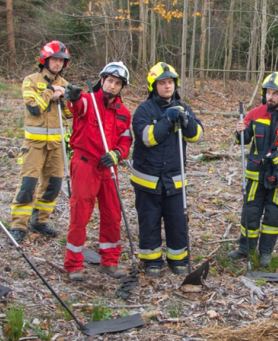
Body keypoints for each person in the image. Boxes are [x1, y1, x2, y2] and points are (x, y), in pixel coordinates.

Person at [130, 62, 203, 276]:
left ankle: (178, 259)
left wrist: (186, 119)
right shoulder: (144, 110)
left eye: (170, 82)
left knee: (177, 220)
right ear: (154, 86)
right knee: (149, 220)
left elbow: (197, 135)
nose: (167, 86)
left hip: (174, 178)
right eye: (162, 83)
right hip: (148, 180)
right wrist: (167, 119)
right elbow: (147, 138)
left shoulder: (183, 107)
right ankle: (152, 261)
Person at [62, 62, 133, 281]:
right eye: (110, 81)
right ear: (102, 80)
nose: (112, 86)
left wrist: (117, 154)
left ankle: (109, 261)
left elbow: (125, 141)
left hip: (108, 166)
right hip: (86, 163)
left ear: (122, 87)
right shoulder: (87, 101)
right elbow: (76, 107)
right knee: (80, 213)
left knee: (113, 213)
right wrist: (72, 97)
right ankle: (73, 264)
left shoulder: (124, 113)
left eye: (117, 83)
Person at [228, 72, 278, 267]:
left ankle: (265, 253)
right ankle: (245, 249)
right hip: (256, 175)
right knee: (250, 213)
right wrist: (239, 132)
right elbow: (243, 140)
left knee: (273, 216)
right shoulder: (254, 114)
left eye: (275, 93)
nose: (270, 97)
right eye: (268, 92)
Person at [9, 41, 72, 242]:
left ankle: (40, 221)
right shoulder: (31, 81)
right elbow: (34, 107)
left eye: (61, 60)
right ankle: (19, 224)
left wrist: (65, 97)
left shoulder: (65, 85)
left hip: (57, 146)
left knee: (53, 185)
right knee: (27, 185)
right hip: (34, 145)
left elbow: (70, 114)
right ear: (45, 60)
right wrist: (50, 92)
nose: (57, 63)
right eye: (54, 59)